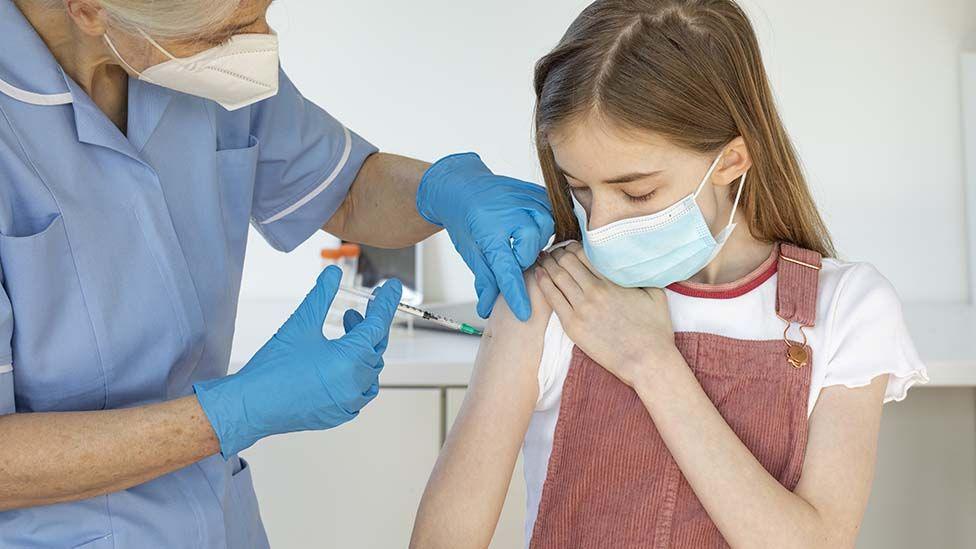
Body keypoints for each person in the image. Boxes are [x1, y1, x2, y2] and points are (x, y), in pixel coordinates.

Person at [0, 0, 553, 547]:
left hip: (221, 522)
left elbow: (346, 188)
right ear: (91, 11)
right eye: (232, 28)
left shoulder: (188, 56)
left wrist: (445, 191)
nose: (260, 41)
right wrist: (233, 413)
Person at [411, 1, 929, 547]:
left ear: (732, 159)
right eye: (580, 190)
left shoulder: (847, 308)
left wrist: (652, 363)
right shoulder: (553, 295)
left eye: (636, 191)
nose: (601, 223)